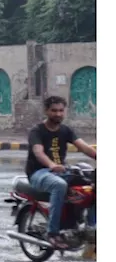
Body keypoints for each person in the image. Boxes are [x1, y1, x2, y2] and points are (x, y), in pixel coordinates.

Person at [26, 95, 97, 249]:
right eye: (54, 111)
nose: (58, 114)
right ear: (46, 111)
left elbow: (83, 147)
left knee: (92, 183)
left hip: (61, 170)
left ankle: (91, 227)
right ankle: (52, 233)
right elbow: (39, 152)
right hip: (40, 173)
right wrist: (52, 164)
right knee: (59, 185)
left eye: (61, 111)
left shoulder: (66, 130)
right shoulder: (37, 131)